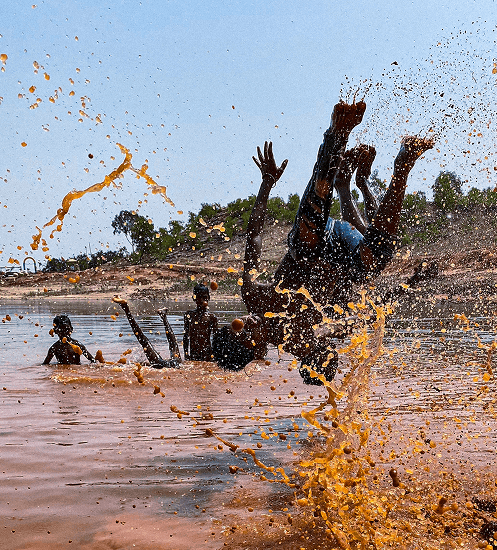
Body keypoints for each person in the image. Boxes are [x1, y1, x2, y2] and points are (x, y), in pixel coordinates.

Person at [219, 99, 433, 384]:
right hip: (343, 254)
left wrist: (267, 184)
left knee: (304, 243)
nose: (246, 323)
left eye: (239, 325)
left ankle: (338, 134)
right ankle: (403, 164)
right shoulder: (299, 342)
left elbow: (254, 237)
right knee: (376, 259)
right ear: (257, 351)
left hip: (314, 241)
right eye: (247, 335)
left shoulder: (254, 297)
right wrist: (410, 285)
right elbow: (364, 316)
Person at [112, 298, 182, 369]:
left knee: (173, 345)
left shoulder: (173, 362)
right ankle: (163, 316)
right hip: (170, 363)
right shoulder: (177, 365)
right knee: (144, 341)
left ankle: (126, 308)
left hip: (167, 363)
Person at [183, 283, 218, 360]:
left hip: (207, 355)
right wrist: (186, 354)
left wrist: (215, 355)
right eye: (199, 297)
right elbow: (186, 336)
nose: (202, 300)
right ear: (194, 298)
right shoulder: (189, 315)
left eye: (204, 297)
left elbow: (216, 338)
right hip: (193, 355)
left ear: (209, 298)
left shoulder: (212, 317)